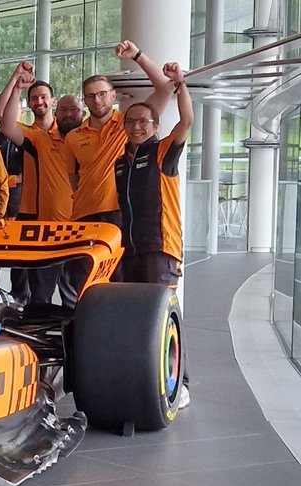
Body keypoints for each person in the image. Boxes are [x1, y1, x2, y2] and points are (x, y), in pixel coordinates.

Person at [61, 39, 175, 305]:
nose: (97, 99)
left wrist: (137, 55)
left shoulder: (127, 124)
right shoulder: (74, 137)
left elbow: (165, 87)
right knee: (88, 286)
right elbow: (74, 179)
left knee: (122, 282)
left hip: (119, 215)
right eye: (90, 95)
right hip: (85, 218)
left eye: (102, 93)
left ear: (113, 96)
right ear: (84, 100)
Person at [115, 62, 193, 410]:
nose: (136, 126)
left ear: (155, 126)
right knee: (139, 315)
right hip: (130, 249)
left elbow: (187, 122)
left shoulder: (162, 151)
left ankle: (181, 382)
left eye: (143, 122)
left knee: (165, 314)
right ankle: (147, 377)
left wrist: (181, 87)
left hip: (160, 246)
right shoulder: (120, 162)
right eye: (131, 122)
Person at [0, 63, 77, 305]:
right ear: (29, 104)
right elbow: (3, 117)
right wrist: (17, 82)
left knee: (72, 285)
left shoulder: (77, 135)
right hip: (33, 214)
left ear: (52, 101)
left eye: (44, 97)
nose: (39, 102)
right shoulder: (35, 137)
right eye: (34, 98)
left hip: (74, 218)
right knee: (33, 282)